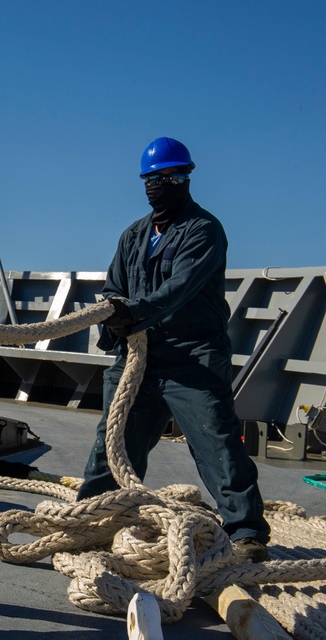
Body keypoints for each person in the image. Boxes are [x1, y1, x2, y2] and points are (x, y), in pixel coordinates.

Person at [78, 137, 271, 563]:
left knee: (216, 441)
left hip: (192, 358)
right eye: (152, 178)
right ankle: (91, 520)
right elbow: (114, 288)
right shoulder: (133, 235)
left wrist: (135, 312)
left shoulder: (204, 230)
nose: (159, 185)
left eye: (170, 177)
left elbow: (179, 289)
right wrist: (115, 316)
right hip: (137, 359)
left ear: (186, 178)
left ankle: (247, 534)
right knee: (111, 446)